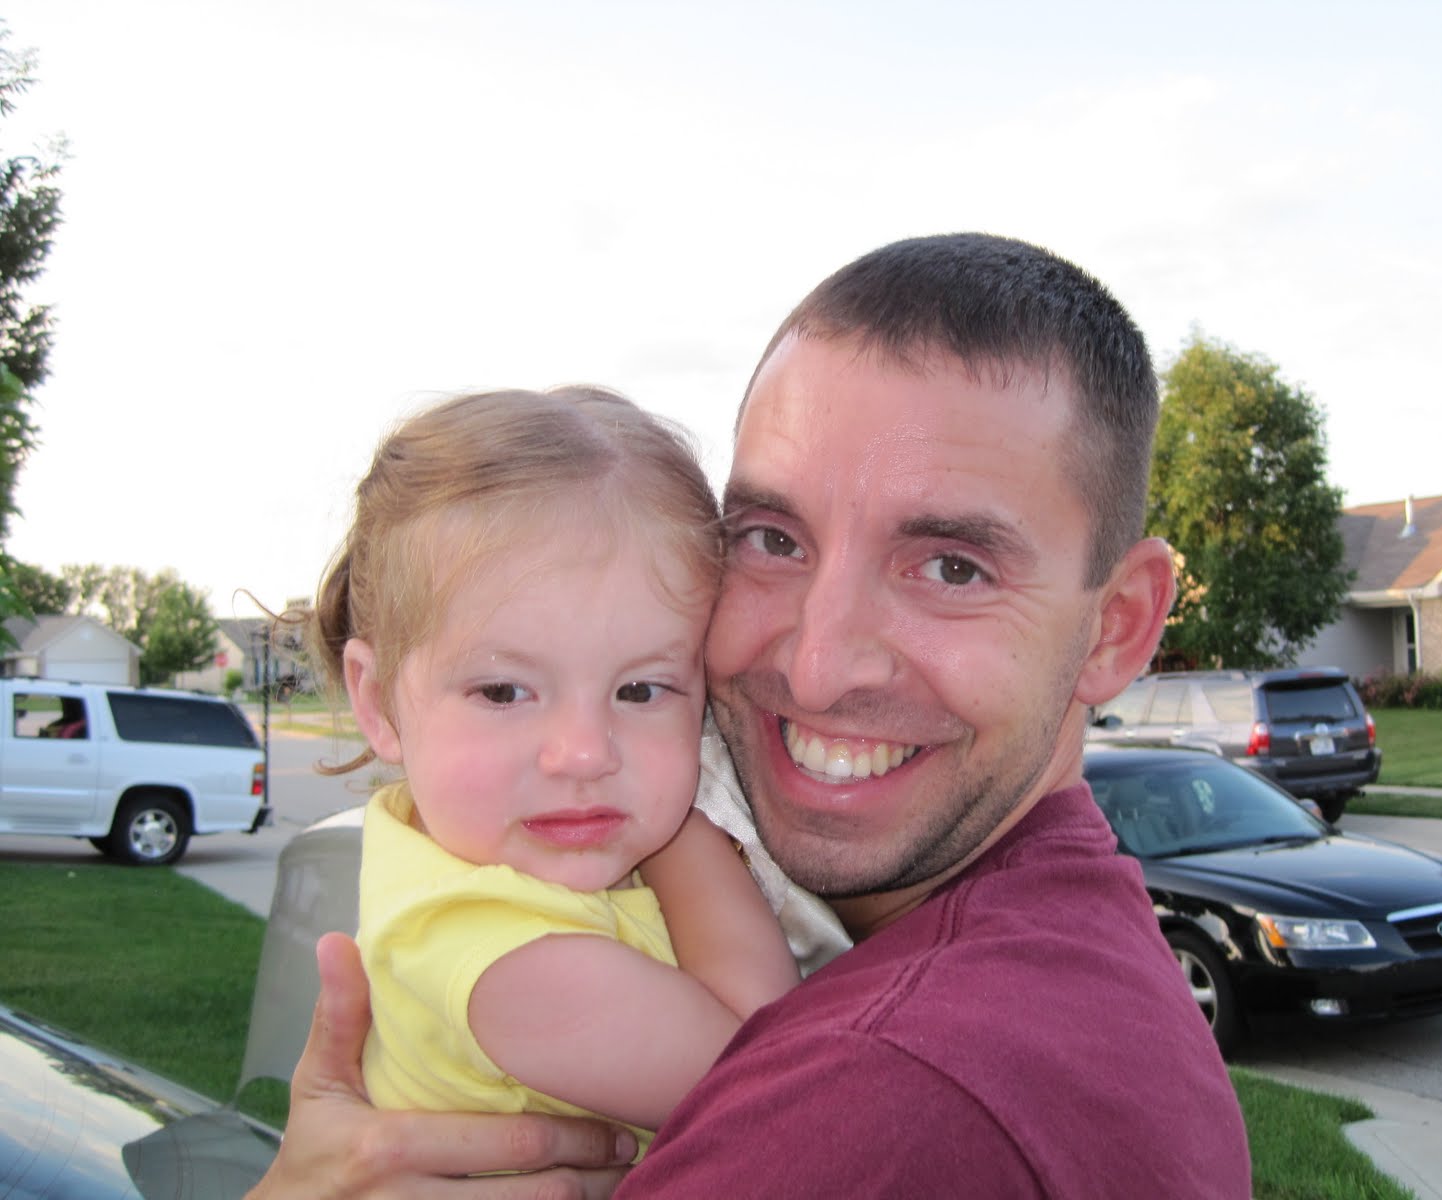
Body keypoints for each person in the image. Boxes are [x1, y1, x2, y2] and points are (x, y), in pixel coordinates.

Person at [250, 233, 1254, 1197]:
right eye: (773, 539)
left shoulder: (887, 1100)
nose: (818, 670)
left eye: (952, 567)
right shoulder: (1077, 965)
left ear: (1117, 627)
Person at [297, 387, 801, 1155]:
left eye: (641, 690)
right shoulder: (497, 960)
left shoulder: (471, 853)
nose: (585, 753)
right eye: (504, 692)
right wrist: (688, 830)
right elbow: (773, 1075)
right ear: (378, 702)